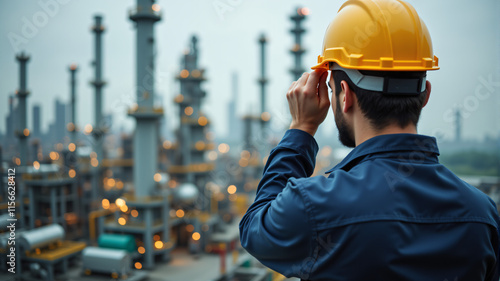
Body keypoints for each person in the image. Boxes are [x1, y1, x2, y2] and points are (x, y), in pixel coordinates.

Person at [239, 0, 500, 280]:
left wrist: (302, 127)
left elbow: (256, 228)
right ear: (425, 95)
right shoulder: (482, 215)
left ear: (344, 94)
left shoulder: (315, 206)